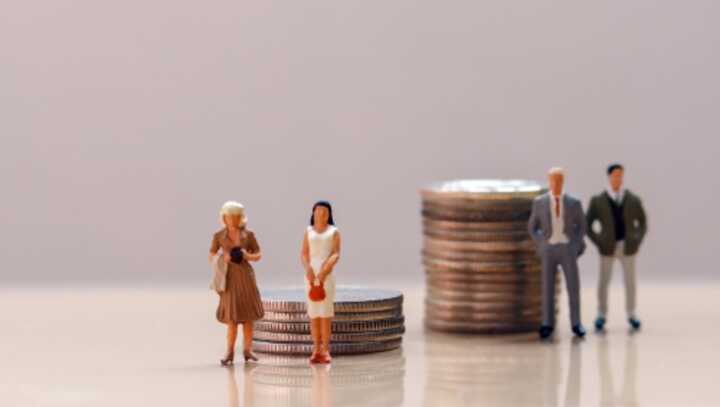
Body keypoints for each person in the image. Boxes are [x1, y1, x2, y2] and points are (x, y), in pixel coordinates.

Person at [586, 163, 647, 331]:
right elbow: (587, 224)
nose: (617, 178)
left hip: (627, 247)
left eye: (620, 175)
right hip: (607, 248)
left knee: (630, 281)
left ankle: (631, 313)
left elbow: (642, 222)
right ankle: (601, 313)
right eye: (615, 175)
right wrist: (599, 241)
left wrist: (636, 240)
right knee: (604, 281)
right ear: (609, 177)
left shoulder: (633, 200)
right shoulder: (598, 200)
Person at [528, 167, 588, 339]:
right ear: (549, 181)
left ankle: (576, 323)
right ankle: (547, 323)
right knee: (547, 287)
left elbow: (582, 226)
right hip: (548, 249)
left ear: (563, 181)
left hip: (567, 249)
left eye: (559, 180)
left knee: (573, 287)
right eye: (553, 180)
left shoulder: (573, 202)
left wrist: (574, 245)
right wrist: (541, 243)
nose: (556, 183)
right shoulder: (539, 202)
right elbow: (533, 227)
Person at [208, 201, 264, 365]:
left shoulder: (249, 235)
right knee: (232, 319)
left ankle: (248, 350)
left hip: (245, 278)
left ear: (240, 217)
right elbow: (211, 255)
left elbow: (259, 254)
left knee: (248, 318)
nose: (231, 220)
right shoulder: (218, 236)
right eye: (228, 216)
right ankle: (230, 352)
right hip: (229, 278)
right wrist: (222, 257)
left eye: (235, 216)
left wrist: (248, 256)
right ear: (223, 218)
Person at [300, 201, 341, 364]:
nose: (321, 214)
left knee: (325, 313)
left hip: (327, 275)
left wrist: (325, 270)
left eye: (325, 212)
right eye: (318, 211)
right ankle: (316, 348)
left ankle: (326, 348)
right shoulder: (308, 231)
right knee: (313, 313)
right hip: (311, 275)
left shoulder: (334, 232)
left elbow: (336, 253)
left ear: (329, 214)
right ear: (313, 213)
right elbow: (303, 253)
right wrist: (308, 268)